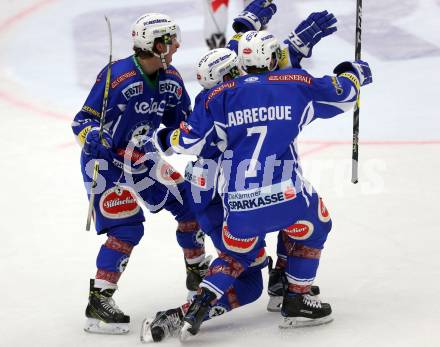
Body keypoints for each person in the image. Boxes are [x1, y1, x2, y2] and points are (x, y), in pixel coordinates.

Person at [154, 30, 372, 340]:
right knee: (314, 223)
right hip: (284, 194)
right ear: (270, 58)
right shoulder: (294, 83)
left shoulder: (218, 96)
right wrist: (353, 73)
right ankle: (296, 297)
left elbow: (188, 140)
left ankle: (204, 300)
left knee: (234, 255)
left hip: (237, 205)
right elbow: (344, 94)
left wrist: (166, 138)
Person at [71, 13, 208, 334]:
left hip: (141, 156)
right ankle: (99, 299)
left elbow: (181, 124)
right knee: (127, 229)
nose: (177, 45)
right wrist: (93, 137)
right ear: (156, 44)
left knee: (189, 206)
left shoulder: (171, 79)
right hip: (104, 164)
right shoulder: (116, 76)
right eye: (171, 39)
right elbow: (82, 120)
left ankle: (197, 272)